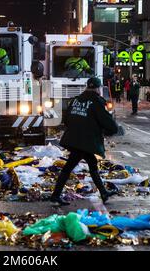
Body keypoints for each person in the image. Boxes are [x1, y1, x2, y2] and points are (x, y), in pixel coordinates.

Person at [50, 77, 119, 205]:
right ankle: (55, 195)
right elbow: (106, 121)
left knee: (88, 163)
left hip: (74, 138)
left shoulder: (75, 100)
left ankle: (103, 193)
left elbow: (66, 119)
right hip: (84, 140)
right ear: (98, 89)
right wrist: (114, 129)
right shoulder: (96, 102)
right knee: (72, 166)